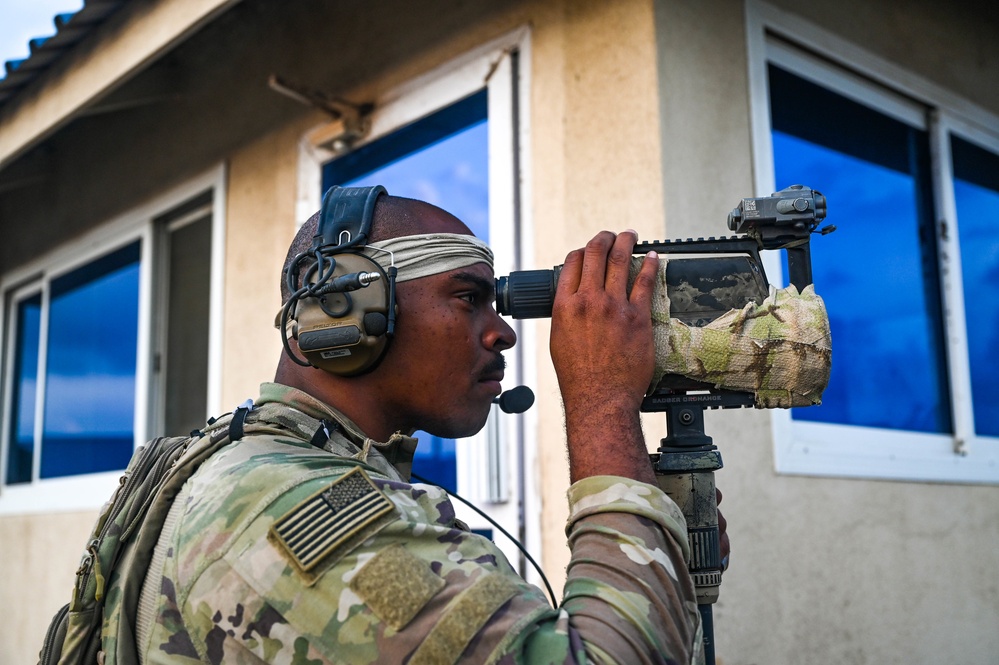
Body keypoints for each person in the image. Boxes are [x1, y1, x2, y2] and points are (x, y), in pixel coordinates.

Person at [135, 190, 708, 664]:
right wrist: (602, 400)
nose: (503, 332)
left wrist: (660, 547)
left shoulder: (283, 467)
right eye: (468, 297)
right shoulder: (284, 509)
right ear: (343, 306)